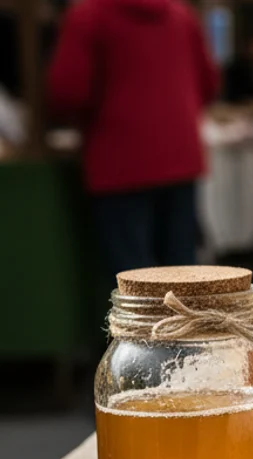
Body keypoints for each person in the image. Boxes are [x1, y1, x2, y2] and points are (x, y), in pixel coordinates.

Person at [47, 0, 219, 277]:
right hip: (181, 156)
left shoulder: (89, 14)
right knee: (184, 274)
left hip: (119, 161)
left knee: (134, 282)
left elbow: (68, 91)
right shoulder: (180, 14)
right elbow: (209, 83)